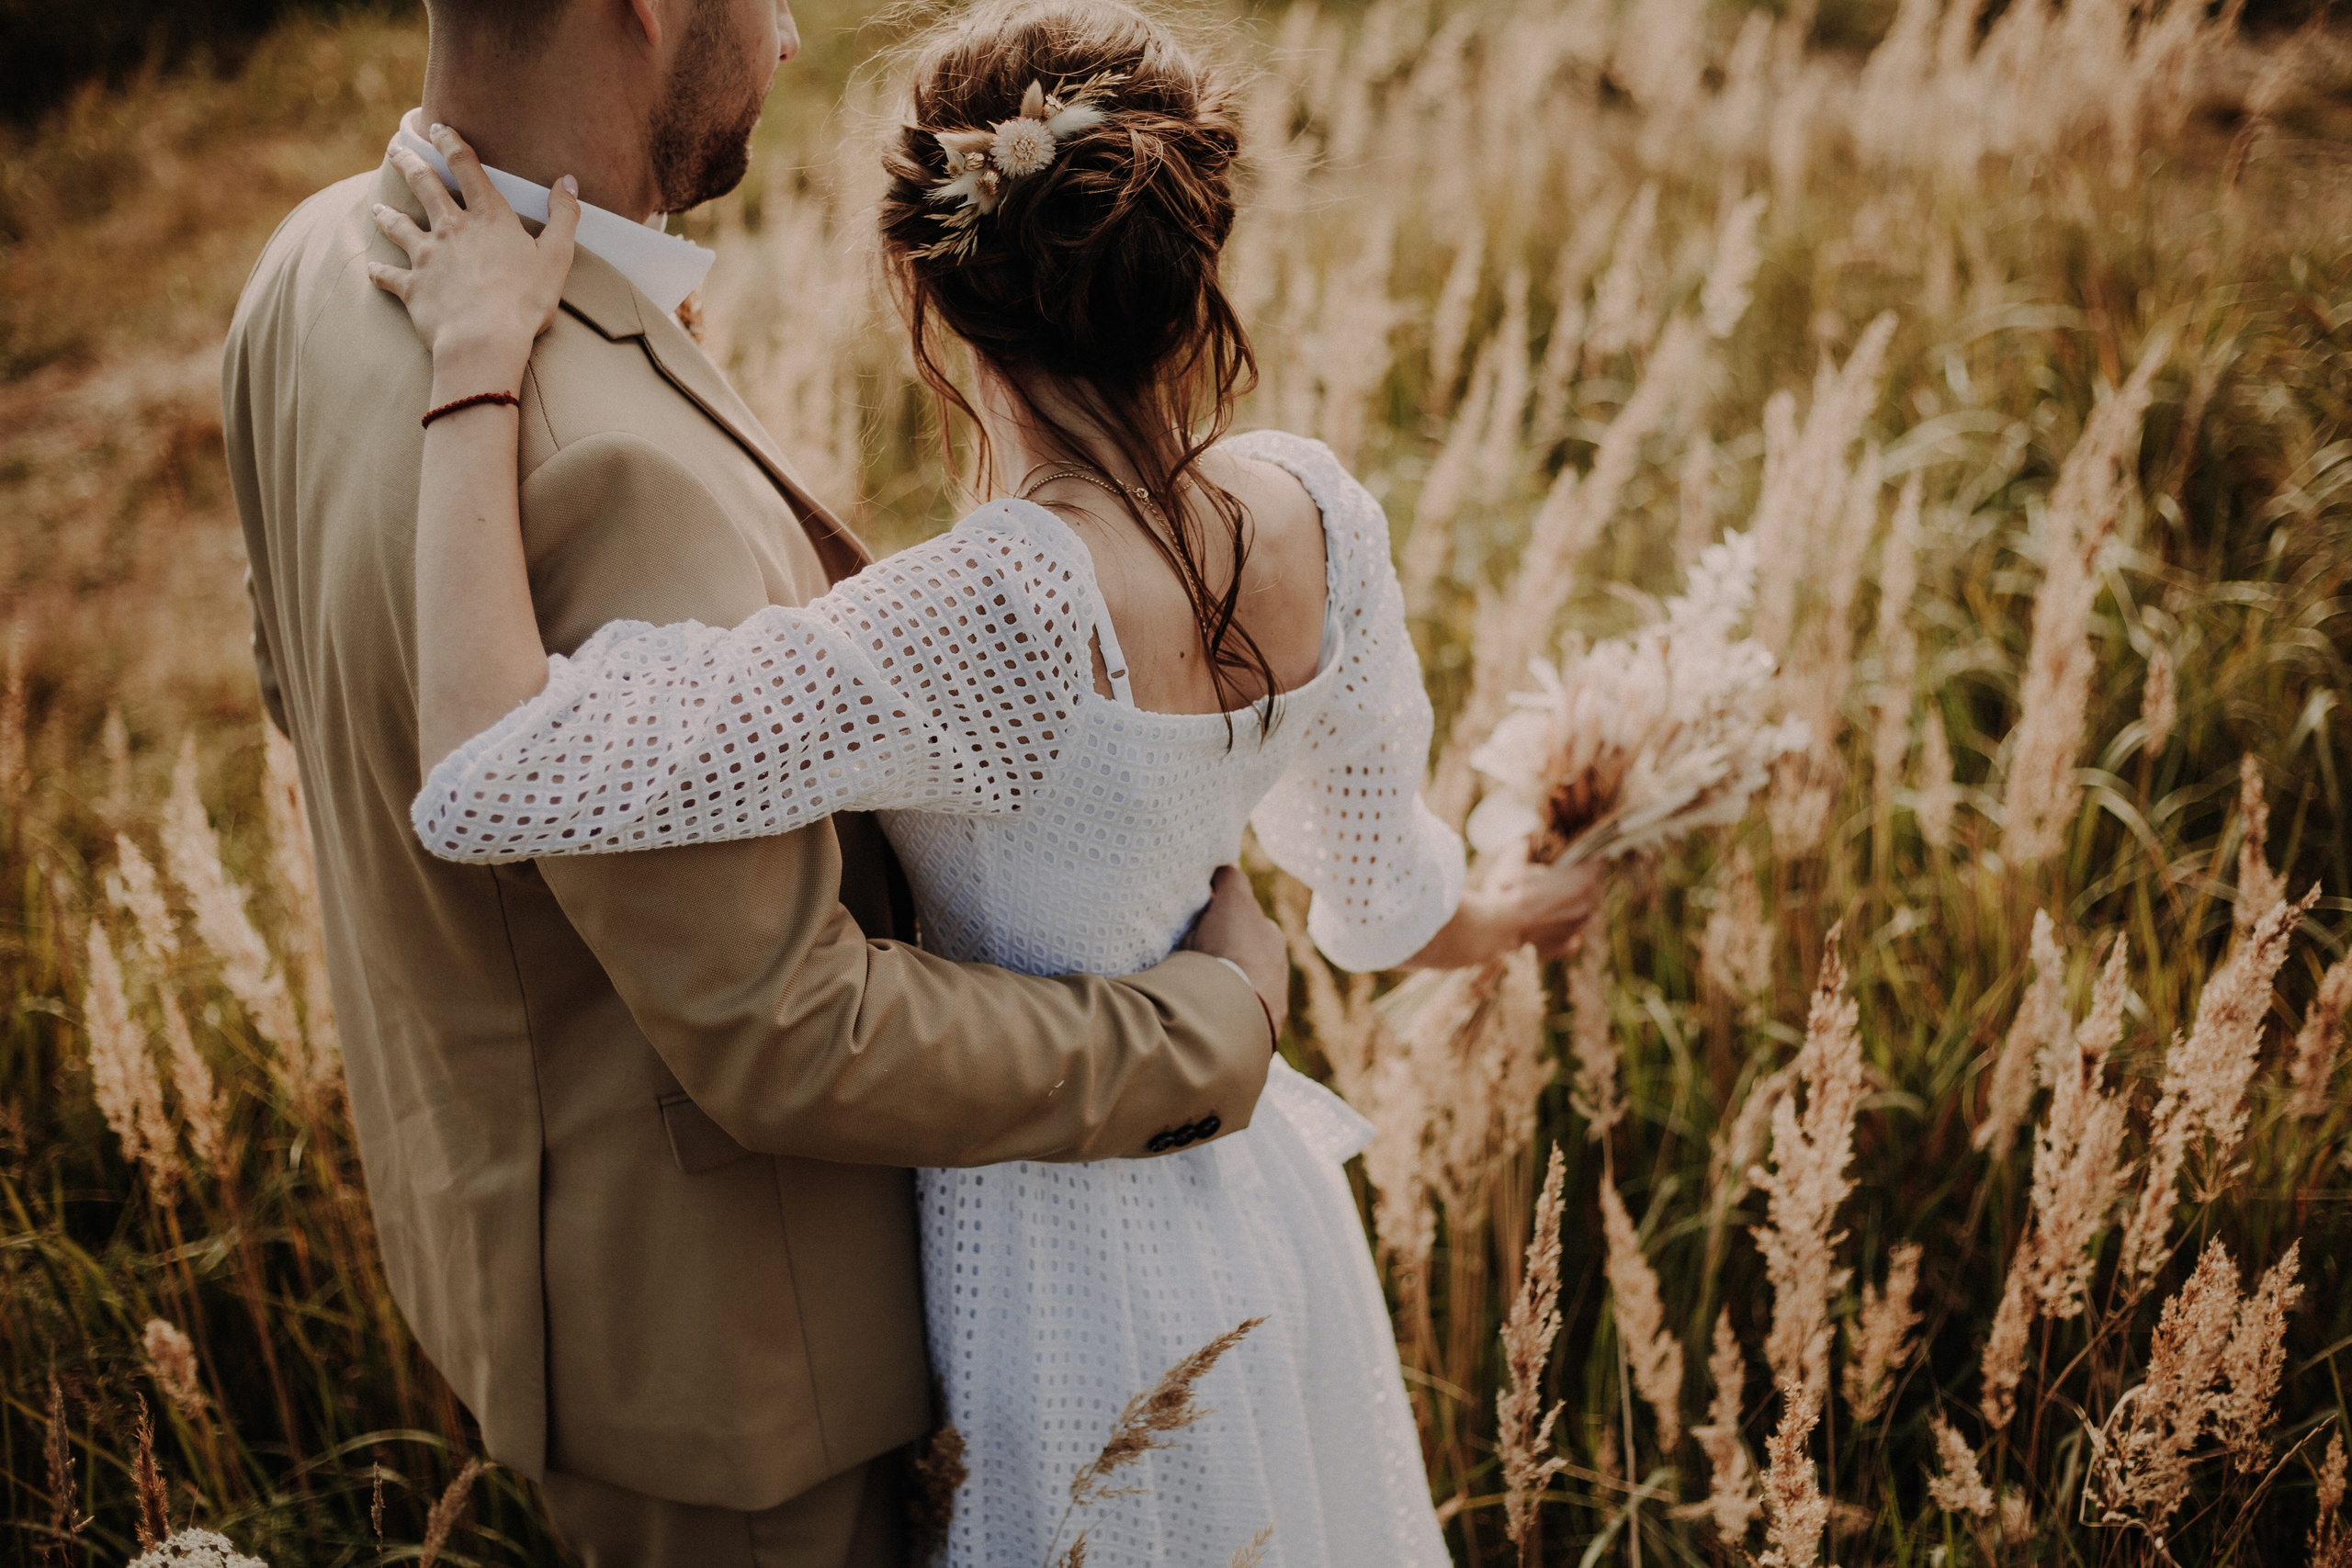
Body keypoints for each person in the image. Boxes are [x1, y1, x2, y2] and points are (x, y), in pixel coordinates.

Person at [363, 2, 1605, 1562]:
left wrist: (481, 363)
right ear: (1195, 255)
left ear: (930, 293)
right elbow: (1381, 904)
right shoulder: (1323, 517)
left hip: (1048, 1272)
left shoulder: (993, 617)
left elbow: (484, 772)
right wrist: (1507, 912)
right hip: (1263, 1216)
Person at [220, 1, 1304, 1562]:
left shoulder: (312, 263)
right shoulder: (601, 456)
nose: (791, 37)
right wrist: (1204, 1031)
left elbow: (309, 704)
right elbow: (787, 1030)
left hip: (500, 1260)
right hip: (742, 1371)